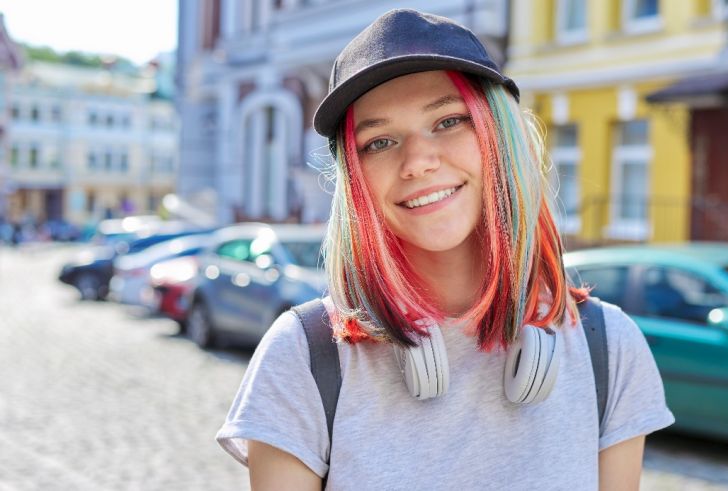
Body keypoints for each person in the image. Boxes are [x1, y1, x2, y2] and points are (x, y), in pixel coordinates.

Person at [216, 9, 674, 490]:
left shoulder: (609, 348)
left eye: (448, 120)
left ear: (499, 136)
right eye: (379, 141)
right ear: (355, 181)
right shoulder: (303, 357)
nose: (417, 161)